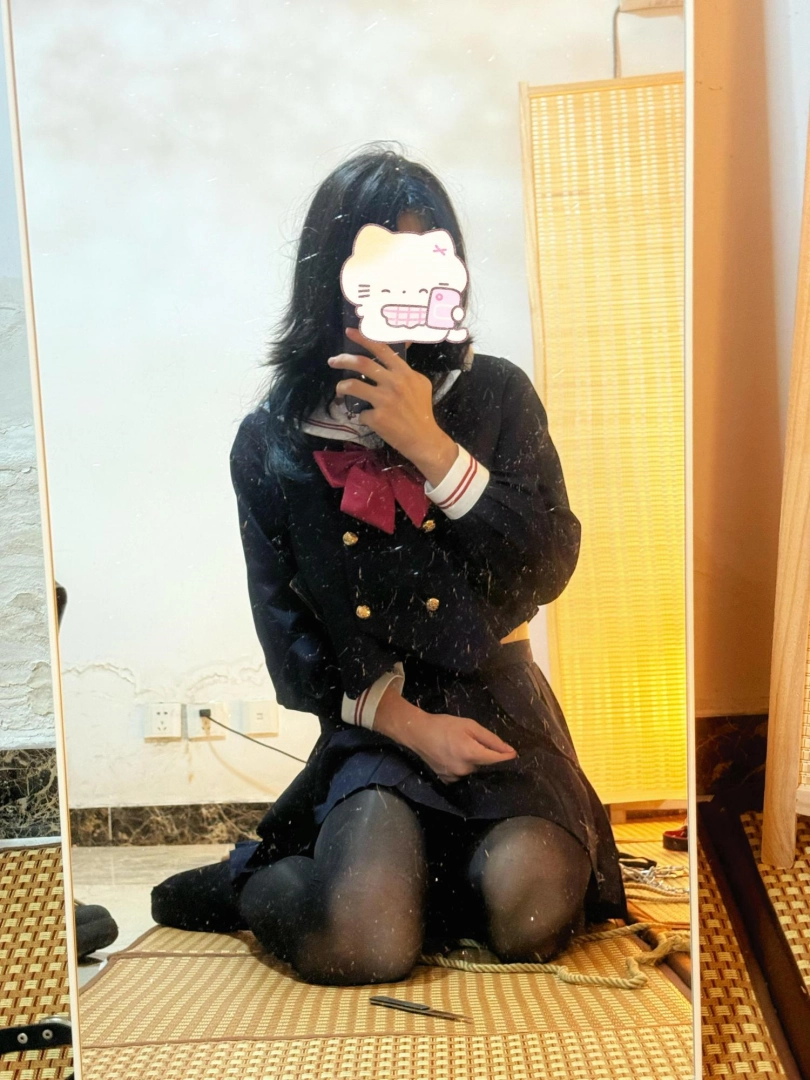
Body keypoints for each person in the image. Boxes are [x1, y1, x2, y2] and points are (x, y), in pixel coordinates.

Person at [152, 145, 626, 986]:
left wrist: (433, 448)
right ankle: (253, 883)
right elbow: (290, 640)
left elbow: (547, 565)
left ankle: (427, 888)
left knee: (531, 913)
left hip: (501, 712)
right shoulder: (273, 441)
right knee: (364, 942)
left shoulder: (497, 395)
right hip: (381, 722)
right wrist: (409, 726)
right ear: (327, 279)